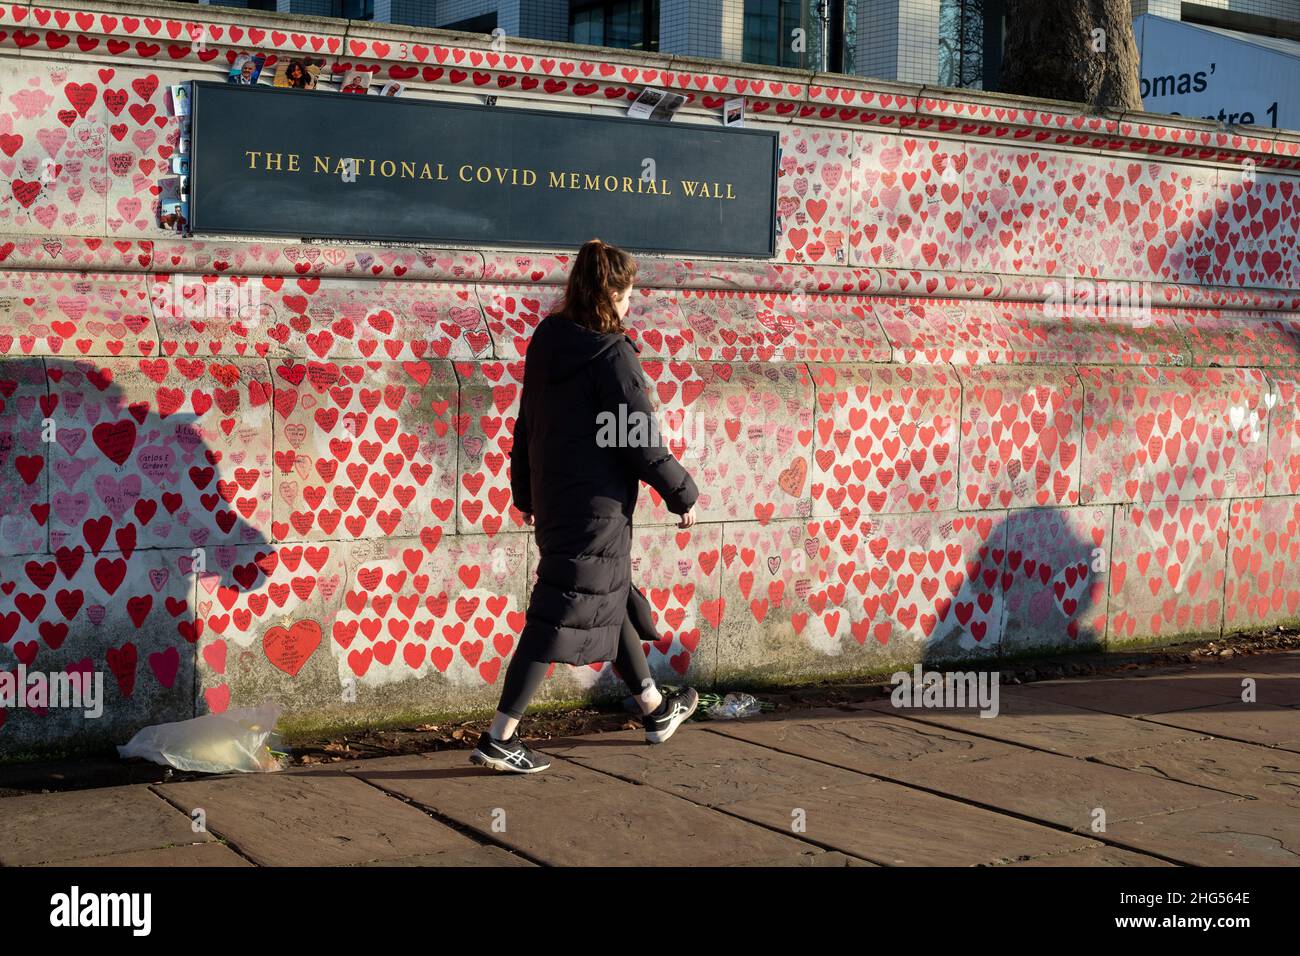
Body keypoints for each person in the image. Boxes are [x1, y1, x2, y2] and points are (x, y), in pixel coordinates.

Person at [471, 239, 700, 774]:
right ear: (610, 294)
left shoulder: (549, 340)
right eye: (627, 296)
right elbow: (639, 436)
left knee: (603, 593)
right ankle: (500, 737)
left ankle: (654, 708)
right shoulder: (611, 353)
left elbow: (527, 424)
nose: (629, 306)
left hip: (556, 498)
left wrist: (525, 491)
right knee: (558, 611)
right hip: (595, 505)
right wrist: (681, 493)